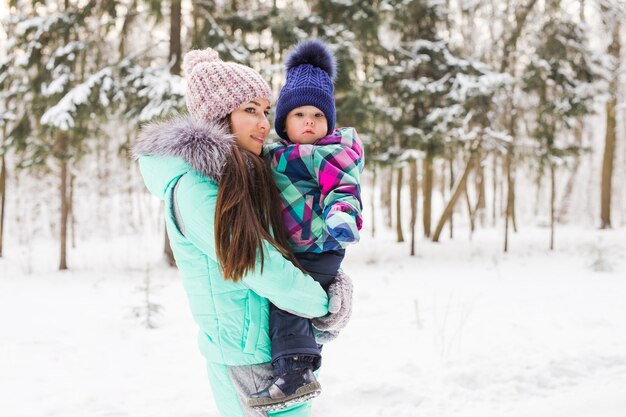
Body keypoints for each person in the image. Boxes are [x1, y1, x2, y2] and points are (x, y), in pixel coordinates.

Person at [132, 47, 352, 417]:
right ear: (219, 115)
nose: (264, 123)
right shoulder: (195, 189)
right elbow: (260, 265)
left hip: (275, 350)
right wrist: (323, 305)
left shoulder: (245, 176)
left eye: (265, 111)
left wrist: (332, 280)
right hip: (250, 359)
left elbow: (292, 248)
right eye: (250, 110)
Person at [248, 40, 363, 411]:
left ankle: (298, 371)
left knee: (290, 304)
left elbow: (344, 188)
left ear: (329, 121)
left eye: (317, 114)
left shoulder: (332, 152)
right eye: (299, 114)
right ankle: (295, 365)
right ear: (284, 121)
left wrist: (341, 216)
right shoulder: (272, 154)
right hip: (291, 247)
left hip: (321, 244)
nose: (309, 121)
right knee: (286, 304)